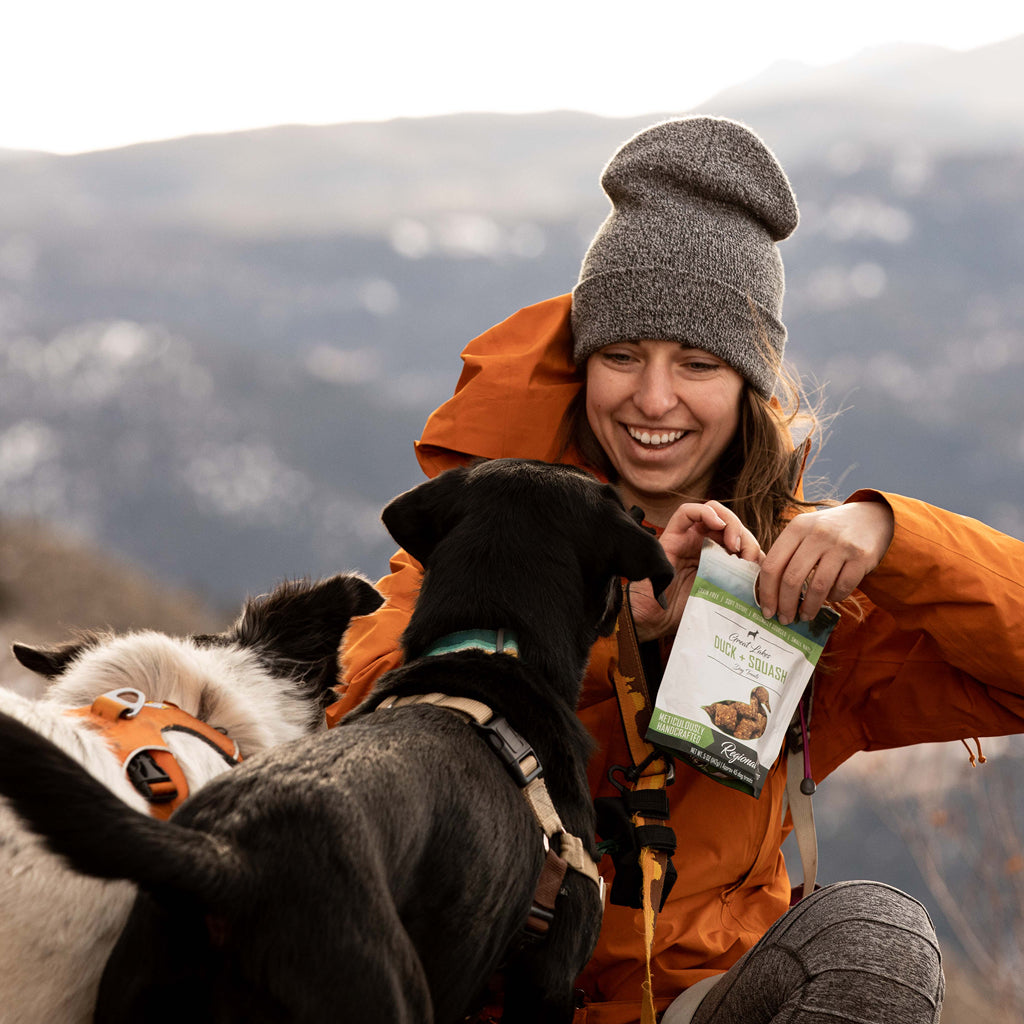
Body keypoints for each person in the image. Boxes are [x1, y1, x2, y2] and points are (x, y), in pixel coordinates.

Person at [327, 116, 1024, 1024]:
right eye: (621, 356)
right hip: (492, 993)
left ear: (749, 387)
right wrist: (608, 634)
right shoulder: (494, 540)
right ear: (582, 368)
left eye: (697, 363)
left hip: (701, 998)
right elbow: (353, 728)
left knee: (875, 940)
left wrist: (897, 537)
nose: (653, 400)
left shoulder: (799, 580)